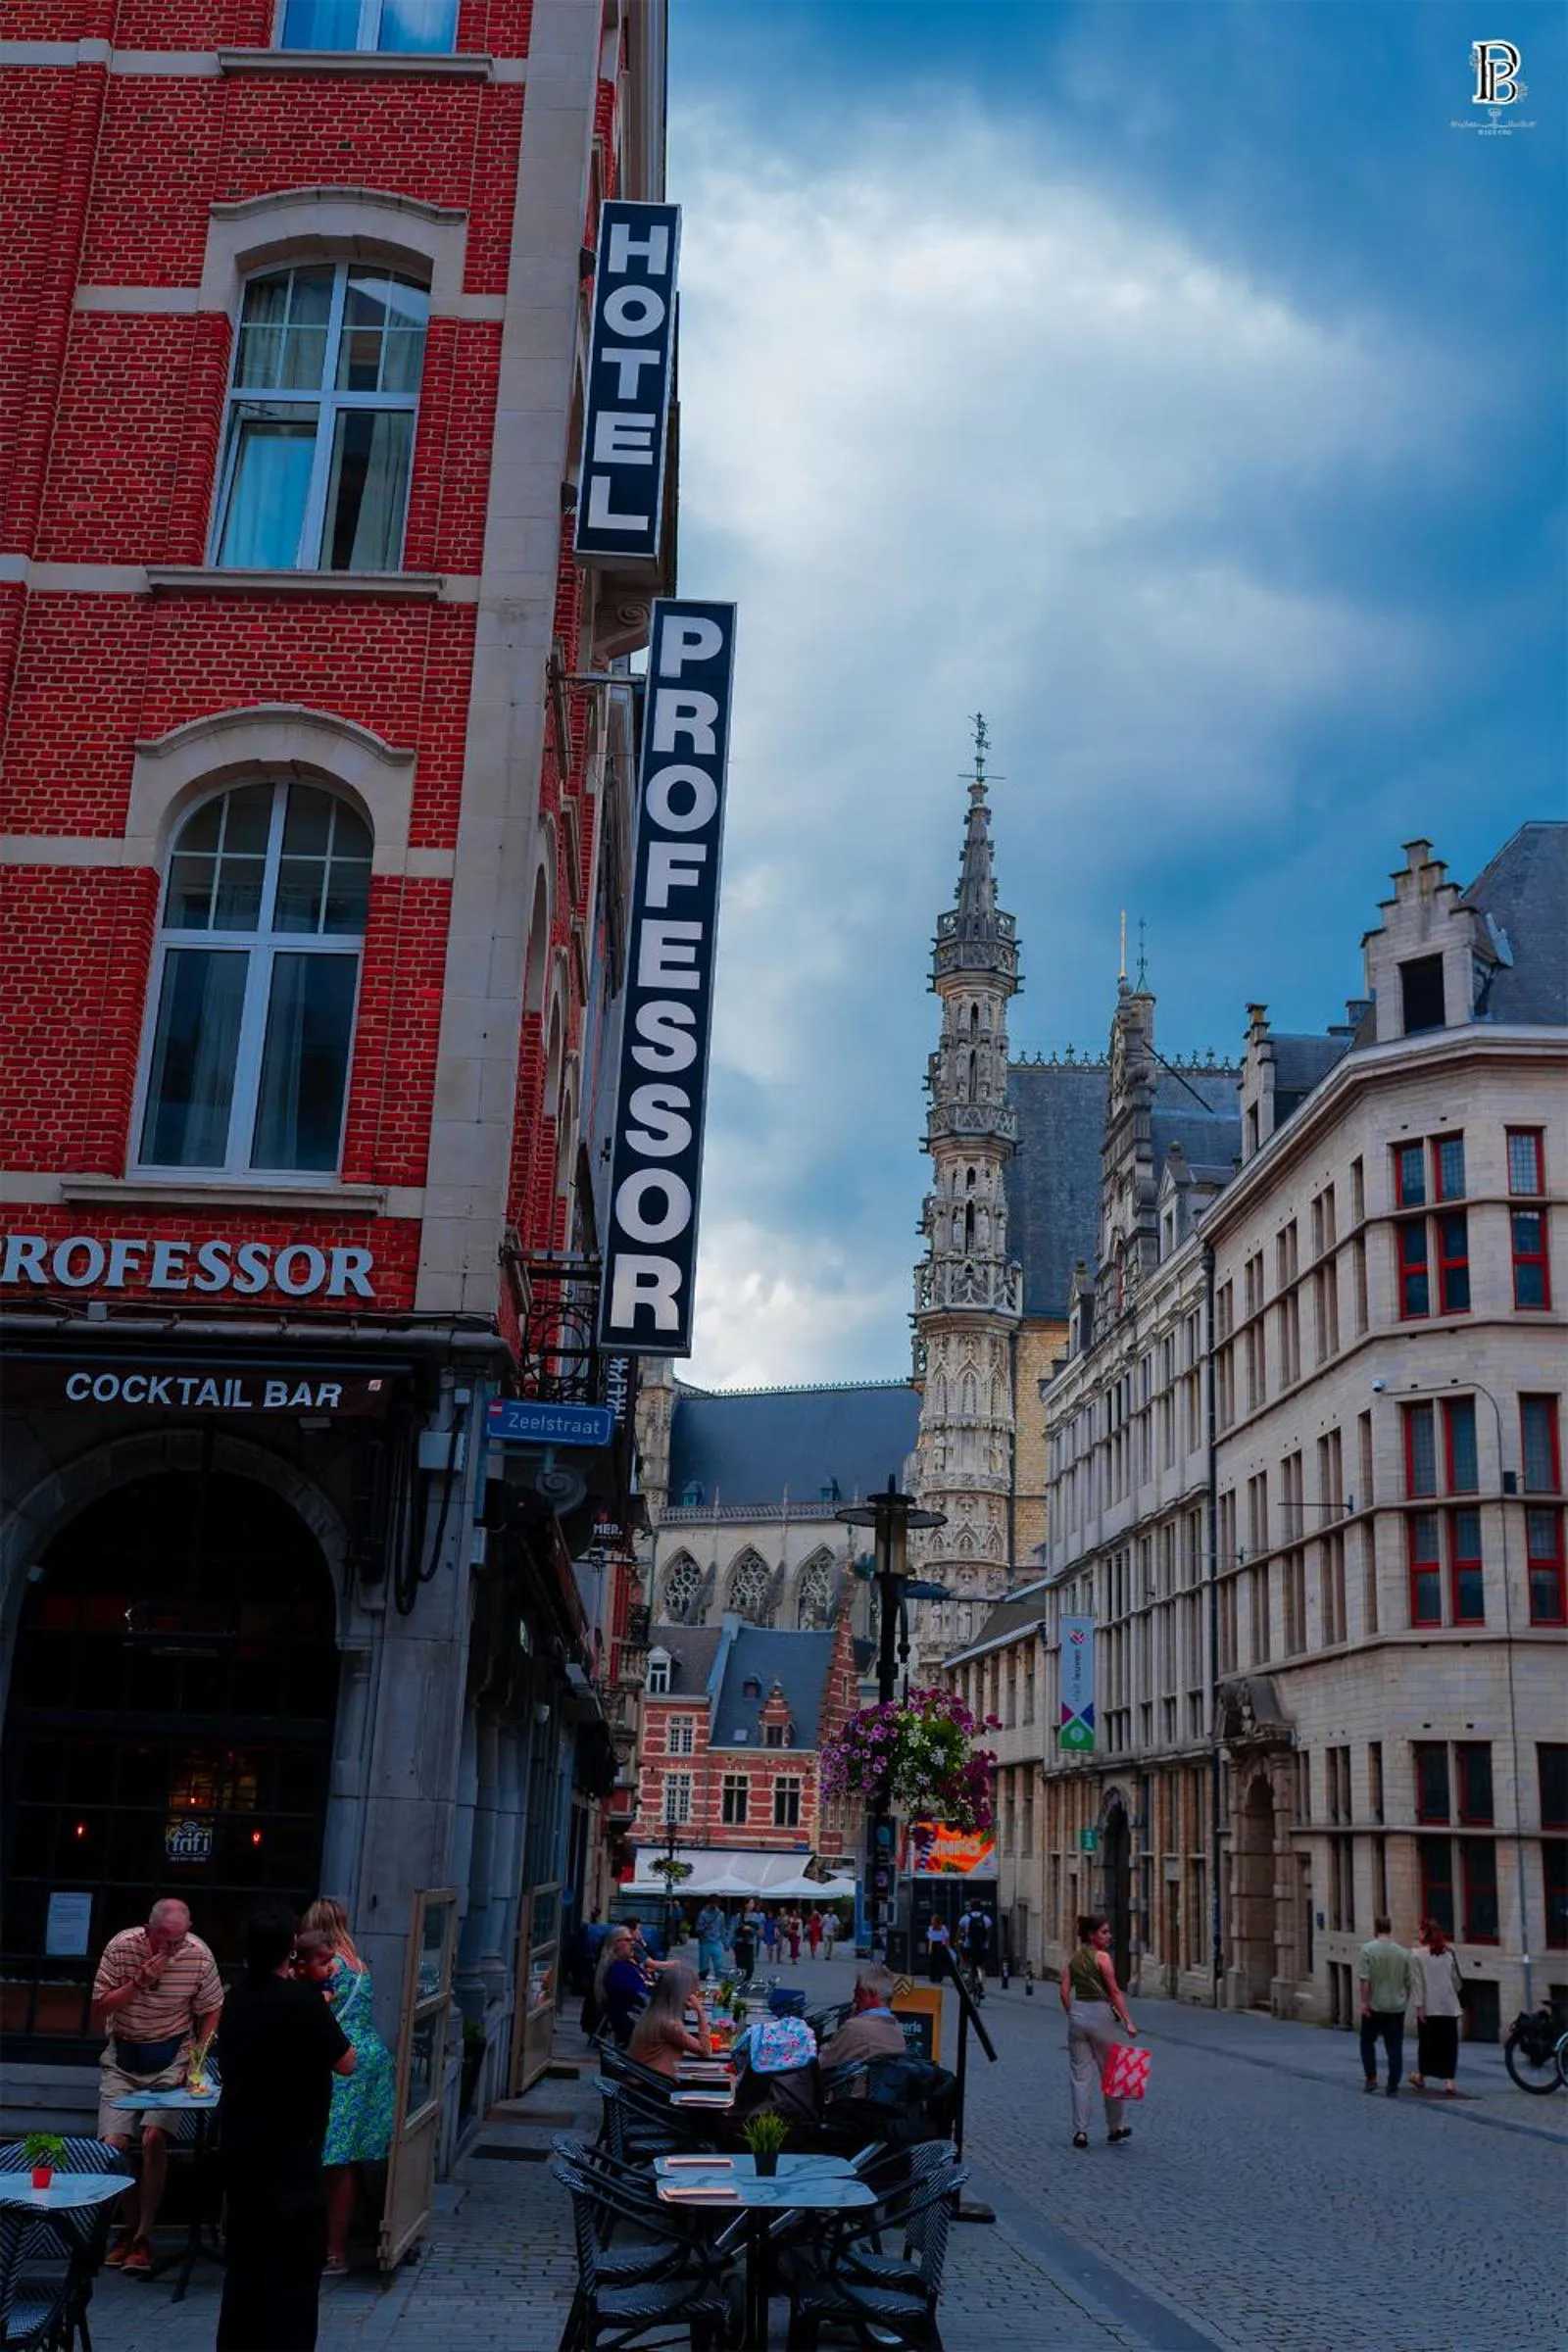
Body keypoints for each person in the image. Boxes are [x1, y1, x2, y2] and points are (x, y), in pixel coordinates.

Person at [215, 1904, 355, 2352]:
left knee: (244, 2263)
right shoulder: (303, 2001)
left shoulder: (235, 1997)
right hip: (291, 2150)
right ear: (290, 1950)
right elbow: (347, 2062)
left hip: (241, 2146)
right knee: (293, 2271)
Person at [92, 1895, 223, 2273]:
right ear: (148, 1930)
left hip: (171, 2058)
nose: (172, 1948)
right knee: (113, 2147)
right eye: (165, 1940)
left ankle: (145, 2236)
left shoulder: (197, 1954)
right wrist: (139, 1982)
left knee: (152, 2138)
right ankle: (130, 2227)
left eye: (178, 1940)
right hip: (123, 2057)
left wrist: (198, 2053)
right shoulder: (122, 1947)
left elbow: (212, 2007)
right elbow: (100, 2007)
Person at [299, 1899, 396, 2274]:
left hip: (343, 2059)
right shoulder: (360, 1964)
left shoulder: (331, 1965)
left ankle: (331, 2250)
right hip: (371, 2056)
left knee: (334, 2158)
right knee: (349, 2158)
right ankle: (337, 2248)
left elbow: (317, 2014)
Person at [1059, 1913, 1137, 2148]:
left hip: (1078, 2014)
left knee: (1080, 2077)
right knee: (1111, 2073)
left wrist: (1072, 2013)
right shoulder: (1102, 1958)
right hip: (1101, 2015)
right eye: (1104, 1932)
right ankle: (1115, 2127)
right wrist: (1127, 2021)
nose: (1109, 1936)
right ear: (1092, 1936)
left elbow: (1063, 1993)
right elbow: (1114, 1991)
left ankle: (1080, 2131)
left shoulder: (1073, 1960)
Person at [1357, 1914, 1417, 2096]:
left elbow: (1364, 1981)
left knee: (1367, 2041)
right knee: (1394, 2046)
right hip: (1396, 2006)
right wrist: (1403, 2000)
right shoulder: (1403, 1952)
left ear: (1376, 1929)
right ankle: (1392, 2085)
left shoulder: (1367, 1950)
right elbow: (1409, 1982)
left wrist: (1364, 2002)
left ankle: (1371, 2078)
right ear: (1390, 1929)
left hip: (1375, 2005)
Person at [818, 1965, 906, 2082]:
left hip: (853, 2094)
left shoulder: (855, 2026)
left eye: (857, 1993)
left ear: (869, 1993)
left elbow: (823, 2062)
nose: (854, 1999)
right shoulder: (895, 2027)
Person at [627, 1961, 710, 2080]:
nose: (694, 1997)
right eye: (692, 1992)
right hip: (654, 2085)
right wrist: (700, 2012)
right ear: (682, 1994)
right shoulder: (669, 2023)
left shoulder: (655, 2013)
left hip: (644, 2079)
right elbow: (705, 2050)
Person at [1410, 1918, 1464, 2095]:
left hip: (1429, 2005)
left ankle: (1421, 2075)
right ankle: (1450, 2081)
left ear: (1425, 1933)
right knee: (1449, 2044)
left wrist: (1419, 2007)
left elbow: (1418, 1983)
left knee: (1427, 2043)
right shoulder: (1449, 1952)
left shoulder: (1417, 1954)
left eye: (1420, 1931)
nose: (1417, 1934)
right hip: (1448, 2005)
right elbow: (1456, 1981)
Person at [597, 1928, 651, 2045]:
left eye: (633, 1940)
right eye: (628, 1940)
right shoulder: (618, 1970)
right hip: (635, 2027)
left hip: (637, 2022)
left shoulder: (624, 1965)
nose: (633, 1943)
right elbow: (641, 1996)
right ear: (616, 1944)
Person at [695, 1900, 726, 1981]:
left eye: (716, 1903)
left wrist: (725, 1942)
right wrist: (704, 1928)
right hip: (705, 1941)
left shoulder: (720, 1914)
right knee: (704, 1966)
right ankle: (703, 1979)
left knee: (719, 1964)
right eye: (713, 1902)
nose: (714, 1904)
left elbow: (722, 1928)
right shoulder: (703, 1914)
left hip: (716, 1941)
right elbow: (698, 1928)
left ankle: (719, 1979)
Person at [926, 1914, 951, 1984]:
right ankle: (933, 1977)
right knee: (933, 1962)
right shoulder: (931, 1928)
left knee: (938, 1962)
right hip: (935, 1944)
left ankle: (938, 1977)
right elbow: (930, 1939)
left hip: (940, 1944)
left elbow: (946, 1937)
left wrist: (947, 1946)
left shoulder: (943, 1927)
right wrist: (930, 1948)